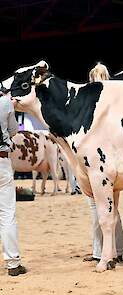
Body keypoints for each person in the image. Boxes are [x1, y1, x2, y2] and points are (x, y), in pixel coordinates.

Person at [83, 62, 123, 262]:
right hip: (116, 158)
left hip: (98, 160)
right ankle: (117, 250)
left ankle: (100, 251)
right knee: (112, 207)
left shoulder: (91, 99)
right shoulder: (116, 97)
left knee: (98, 207)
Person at [0, 92, 27, 276]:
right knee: (7, 212)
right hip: (1, 160)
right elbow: (13, 130)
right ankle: (13, 263)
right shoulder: (4, 101)